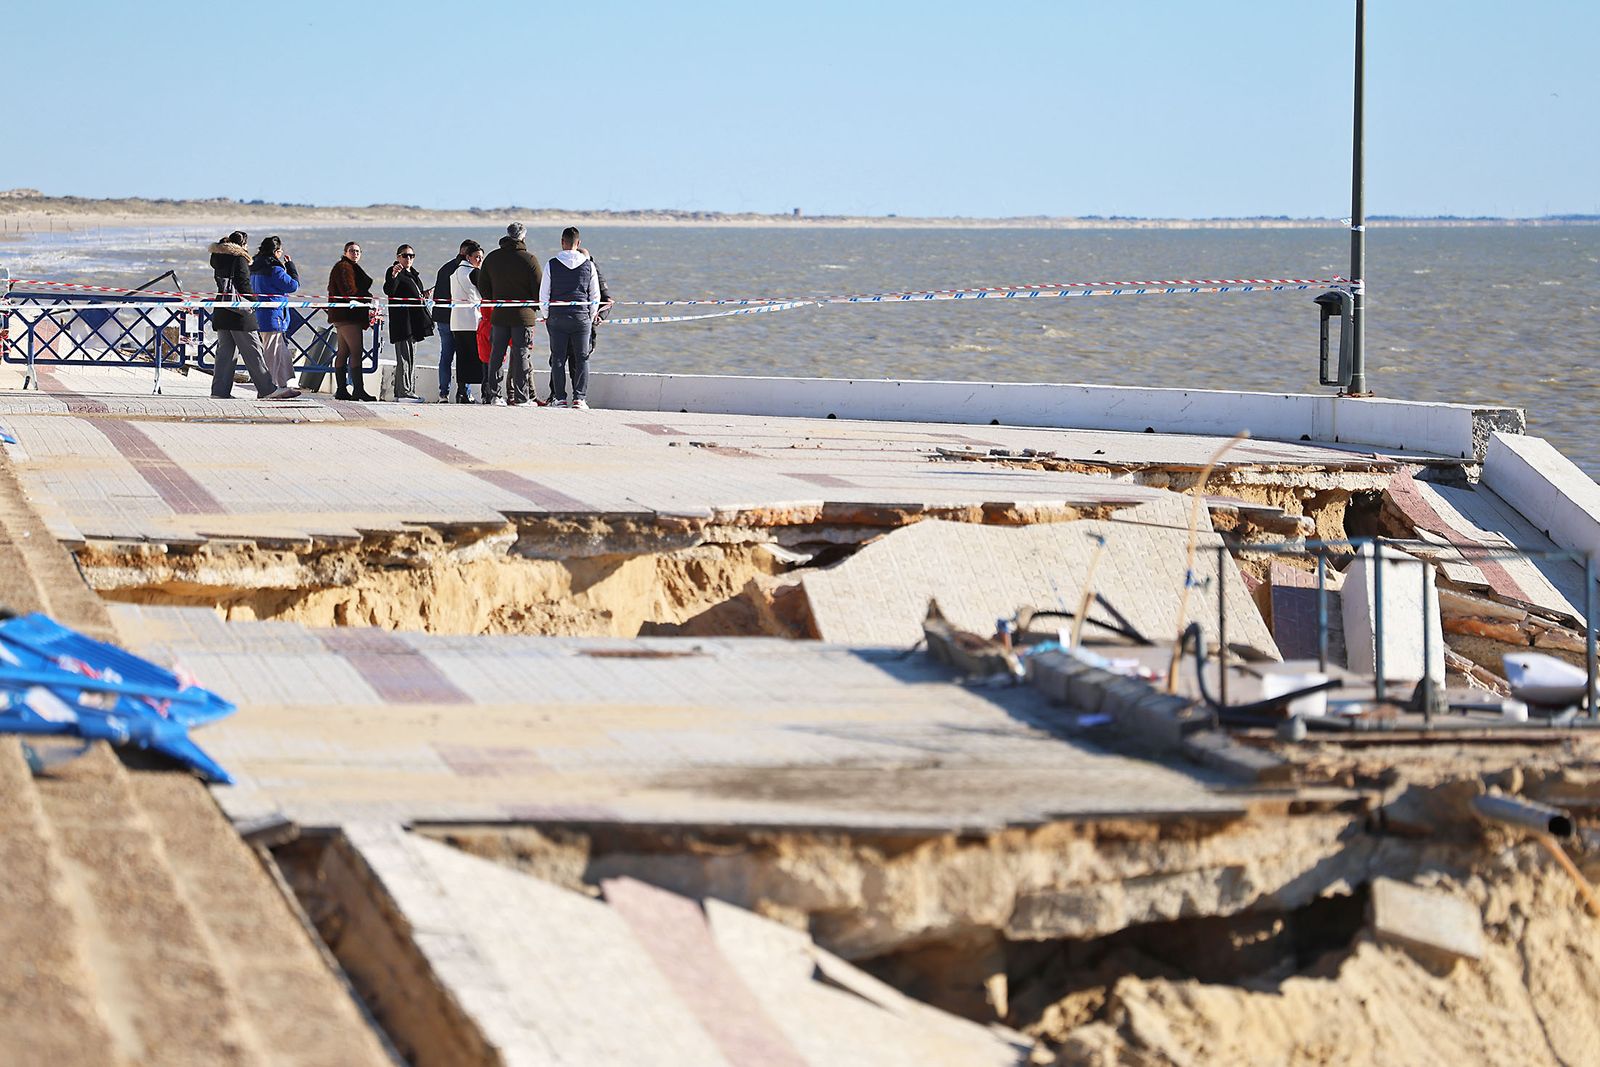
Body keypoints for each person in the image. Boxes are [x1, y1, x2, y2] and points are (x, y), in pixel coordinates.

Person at [476, 222, 542, 405]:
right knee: (521, 355)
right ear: (523, 237)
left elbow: (483, 286)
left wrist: (494, 299)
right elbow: (539, 289)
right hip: (523, 316)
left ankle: (494, 395)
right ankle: (521, 398)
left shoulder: (492, 258)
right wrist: (533, 306)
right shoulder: (530, 259)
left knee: (496, 354)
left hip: (499, 314)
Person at [208, 230, 278, 399]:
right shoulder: (239, 258)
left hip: (222, 308)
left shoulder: (218, 258)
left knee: (225, 353)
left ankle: (219, 391)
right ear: (243, 245)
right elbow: (243, 283)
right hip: (239, 312)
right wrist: (254, 301)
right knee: (253, 350)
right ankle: (267, 389)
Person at [538, 226, 600, 409]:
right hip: (581, 317)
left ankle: (559, 398)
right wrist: (589, 315)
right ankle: (580, 398)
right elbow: (594, 295)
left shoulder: (552, 264)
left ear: (562, 242)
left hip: (557, 317)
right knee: (582, 358)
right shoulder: (589, 265)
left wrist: (547, 315)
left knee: (558, 358)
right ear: (578, 243)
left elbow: (544, 294)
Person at [249, 236, 303, 393]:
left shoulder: (255, 266)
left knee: (281, 350)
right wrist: (291, 266)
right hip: (273, 315)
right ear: (276, 251)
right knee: (272, 351)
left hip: (262, 313)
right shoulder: (274, 268)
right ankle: (268, 387)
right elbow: (293, 285)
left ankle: (283, 384)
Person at [326, 241, 376, 401]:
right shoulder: (343, 267)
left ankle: (342, 390)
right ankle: (358, 390)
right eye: (352, 251)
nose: (355, 254)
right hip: (348, 315)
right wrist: (366, 298)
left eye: (358, 251)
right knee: (356, 351)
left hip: (343, 315)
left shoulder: (347, 267)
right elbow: (349, 290)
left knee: (344, 352)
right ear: (345, 252)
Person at [382, 244, 432, 401]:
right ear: (398, 257)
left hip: (414, 323)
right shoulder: (394, 272)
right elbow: (389, 290)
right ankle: (405, 392)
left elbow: (413, 295)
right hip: (402, 323)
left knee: (411, 357)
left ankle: (403, 391)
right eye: (405, 255)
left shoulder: (413, 274)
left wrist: (424, 295)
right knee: (404, 357)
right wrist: (394, 275)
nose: (408, 258)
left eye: (411, 256)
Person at [431, 240, 473, 402]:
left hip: (443, 318)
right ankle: (464, 392)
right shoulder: (466, 270)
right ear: (466, 254)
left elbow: (437, 295)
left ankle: (443, 393)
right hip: (461, 319)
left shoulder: (445, 268)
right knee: (464, 355)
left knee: (446, 356)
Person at [448, 241, 486, 403]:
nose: (480, 260)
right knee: (479, 356)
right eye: (477, 257)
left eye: (481, 257)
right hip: (472, 320)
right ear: (468, 257)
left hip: (456, 321)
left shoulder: (455, 272)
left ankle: (461, 391)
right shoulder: (474, 273)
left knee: (462, 357)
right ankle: (485, 392)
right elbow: (484, 294)